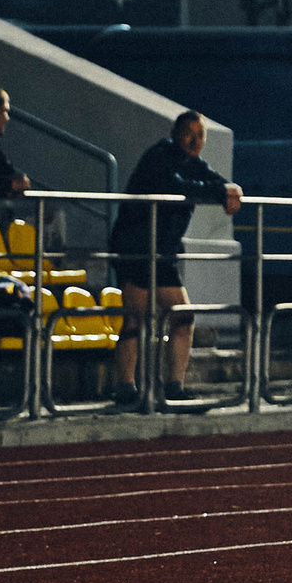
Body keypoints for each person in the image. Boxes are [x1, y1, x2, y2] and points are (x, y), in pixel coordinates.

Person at [111, 110, 245, 405]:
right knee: (137, 318)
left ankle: (174, 386)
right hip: (137, 248)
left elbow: (216, 181)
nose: (195, 141)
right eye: (189, 134)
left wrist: (229, 191)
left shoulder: (195, 164)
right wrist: (218, 192)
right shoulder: (158, 156)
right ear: (175, 134)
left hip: (164, 253)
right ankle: (125, 387)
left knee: (183, 316)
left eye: (201, 136)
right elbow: (174, 186)